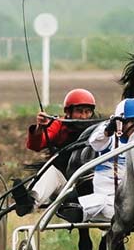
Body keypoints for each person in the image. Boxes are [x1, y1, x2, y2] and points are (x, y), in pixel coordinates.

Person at [11, 88, 99, 216]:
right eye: (79, 111)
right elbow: (36, 145)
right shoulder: (59, 125)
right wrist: (40, 128)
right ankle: (29, 203)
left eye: (88, 112)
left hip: (94, 186)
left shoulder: (100, 129)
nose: (84, 116)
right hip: (66, 185)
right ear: (68, 112)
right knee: (52, 171)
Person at [76, 97, 134, 223]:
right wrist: (108, 130)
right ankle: (77, 209)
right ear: (120, 123)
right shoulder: (110, 139)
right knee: (101, 203)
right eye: (133, 122)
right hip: (111, 202)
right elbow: (94, 142)